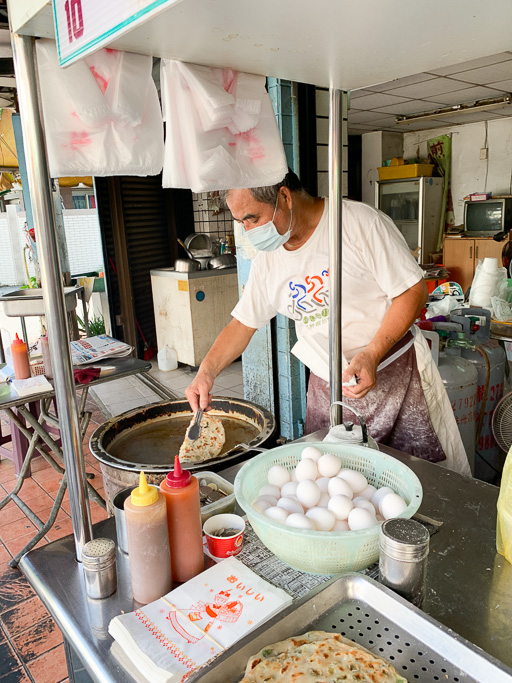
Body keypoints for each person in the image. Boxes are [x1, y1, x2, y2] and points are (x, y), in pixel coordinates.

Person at [185, 170, 471, 477]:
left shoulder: (358, 224)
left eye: (252, 218)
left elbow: (412, 293)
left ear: (285, 196)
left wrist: (372, 354)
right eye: (241, 222)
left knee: (416, 478)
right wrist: (206, 371)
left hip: (395, 374)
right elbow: (243, 323)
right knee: (331, 482)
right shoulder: (269, 257)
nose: (247, 230)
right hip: (328, 384)